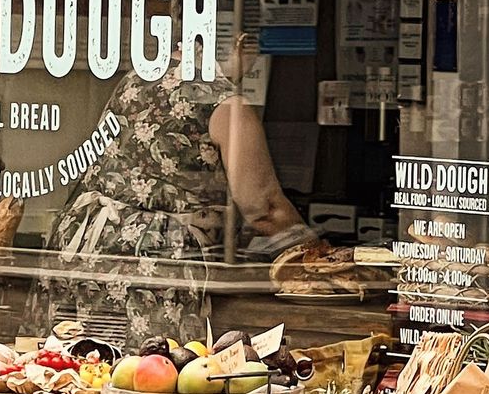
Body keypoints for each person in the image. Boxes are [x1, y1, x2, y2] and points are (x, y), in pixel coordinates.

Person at [27, 35, 311, 348]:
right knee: (145, 373)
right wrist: (316, 250)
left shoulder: (136, 80)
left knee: (74, 367)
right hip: (150, 255)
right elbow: (264, 208)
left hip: (81, 241)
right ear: (235, 45)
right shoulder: (226, 105)